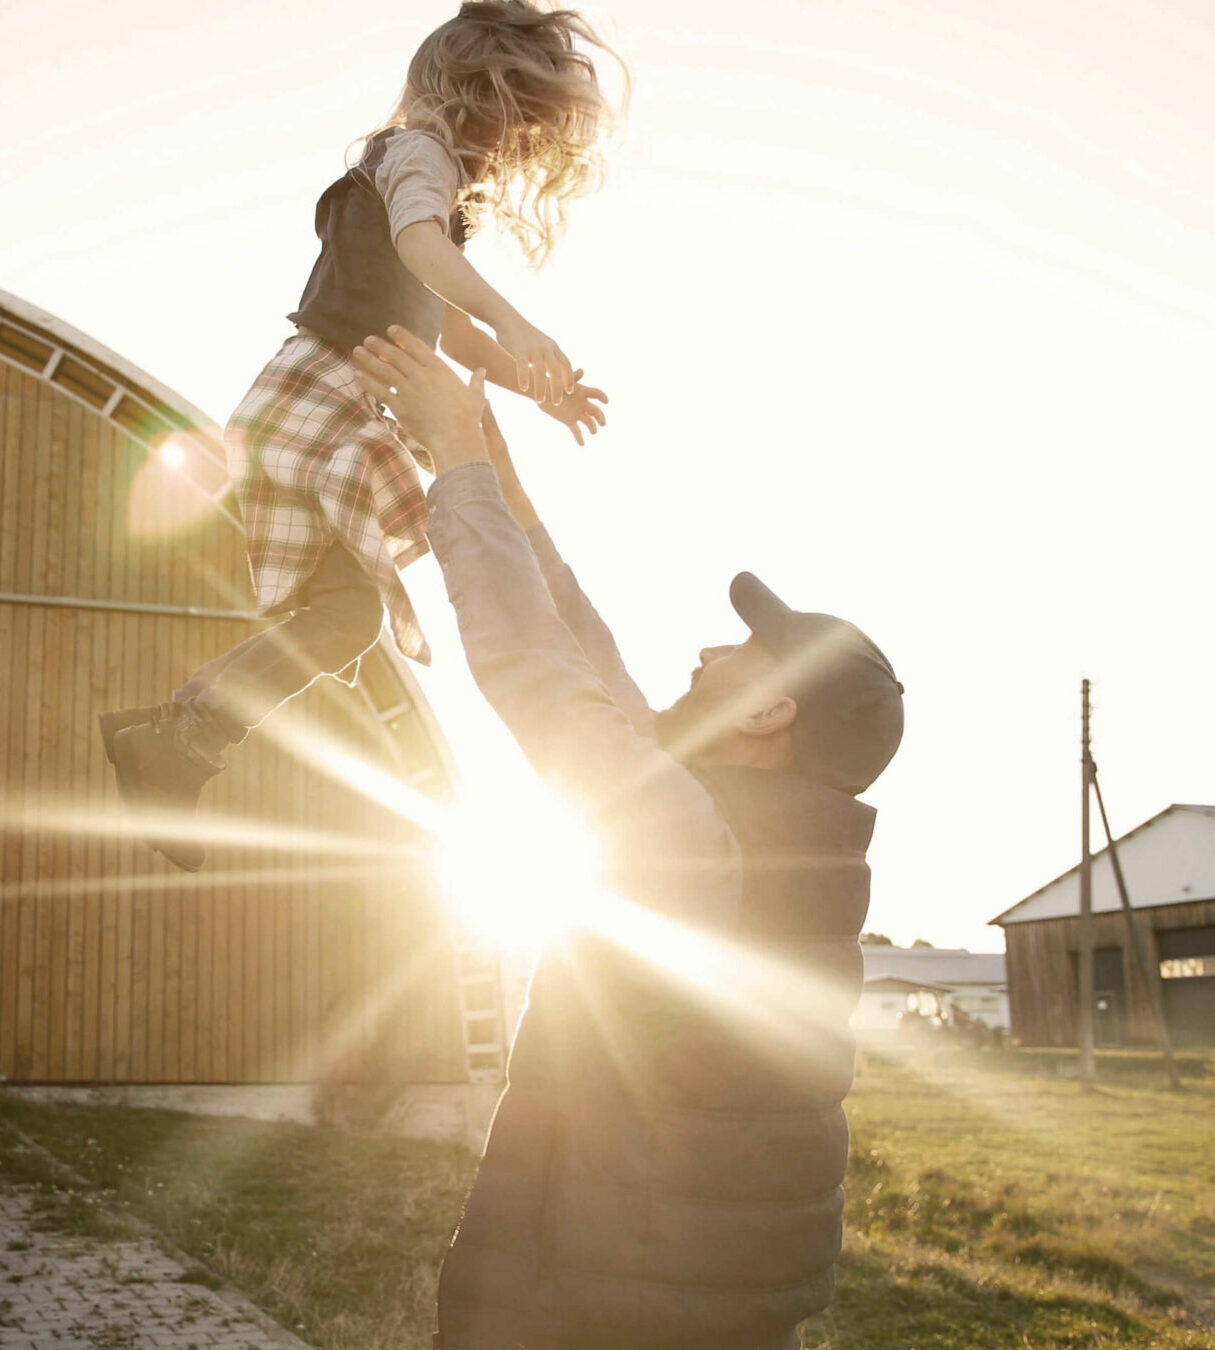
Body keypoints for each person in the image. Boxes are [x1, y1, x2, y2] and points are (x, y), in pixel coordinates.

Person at [350, 326, 906, 1350]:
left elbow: (539, 671)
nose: (708, 650)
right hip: (676, 1304)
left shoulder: (695, 843)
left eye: (744, 650)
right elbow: (583, 651)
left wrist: (461, 466)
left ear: (771, 713)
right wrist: (495, 480)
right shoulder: (756, 848)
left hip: (599, 1312)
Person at [100, 1, 623, 870]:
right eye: (510, 121)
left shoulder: (425, 179)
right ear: (470, 98)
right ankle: (175, 738)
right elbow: (420, 248)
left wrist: (540, 389)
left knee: (344, 616)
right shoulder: (416, 157)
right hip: (319, 400)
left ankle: (172, 737)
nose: (510, 146)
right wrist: (519, 321)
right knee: (350, 614)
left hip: (327, 403)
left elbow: (448, 326)